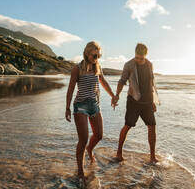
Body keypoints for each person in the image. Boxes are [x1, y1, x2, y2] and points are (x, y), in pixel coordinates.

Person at [65, 41, 117, 183]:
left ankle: (90, 150)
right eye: (95, 55)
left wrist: (113, 95)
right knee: (83, 139)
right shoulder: (77, 68)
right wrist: (67, 107)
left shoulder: (97, 67)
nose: (97, 57)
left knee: (99, 135)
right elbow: (70, 89)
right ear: (87, 53)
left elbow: (103, 81)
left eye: (99, 55)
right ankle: (80, 172)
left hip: (94, 105)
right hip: (80, 106)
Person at [113, 43, 160, 163]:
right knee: (128, 126)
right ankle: (119, 153)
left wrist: (153, 101)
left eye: (141, 58)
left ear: (145, 56)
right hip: (134, 100)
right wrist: (117, 95)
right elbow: (122, 81)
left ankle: (152, 157)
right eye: (137, 57)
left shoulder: (149, 64)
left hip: (147, 102)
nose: (139, 60)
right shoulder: (129, 65)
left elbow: (150, 82)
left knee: (152, 126)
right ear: (135, 54)